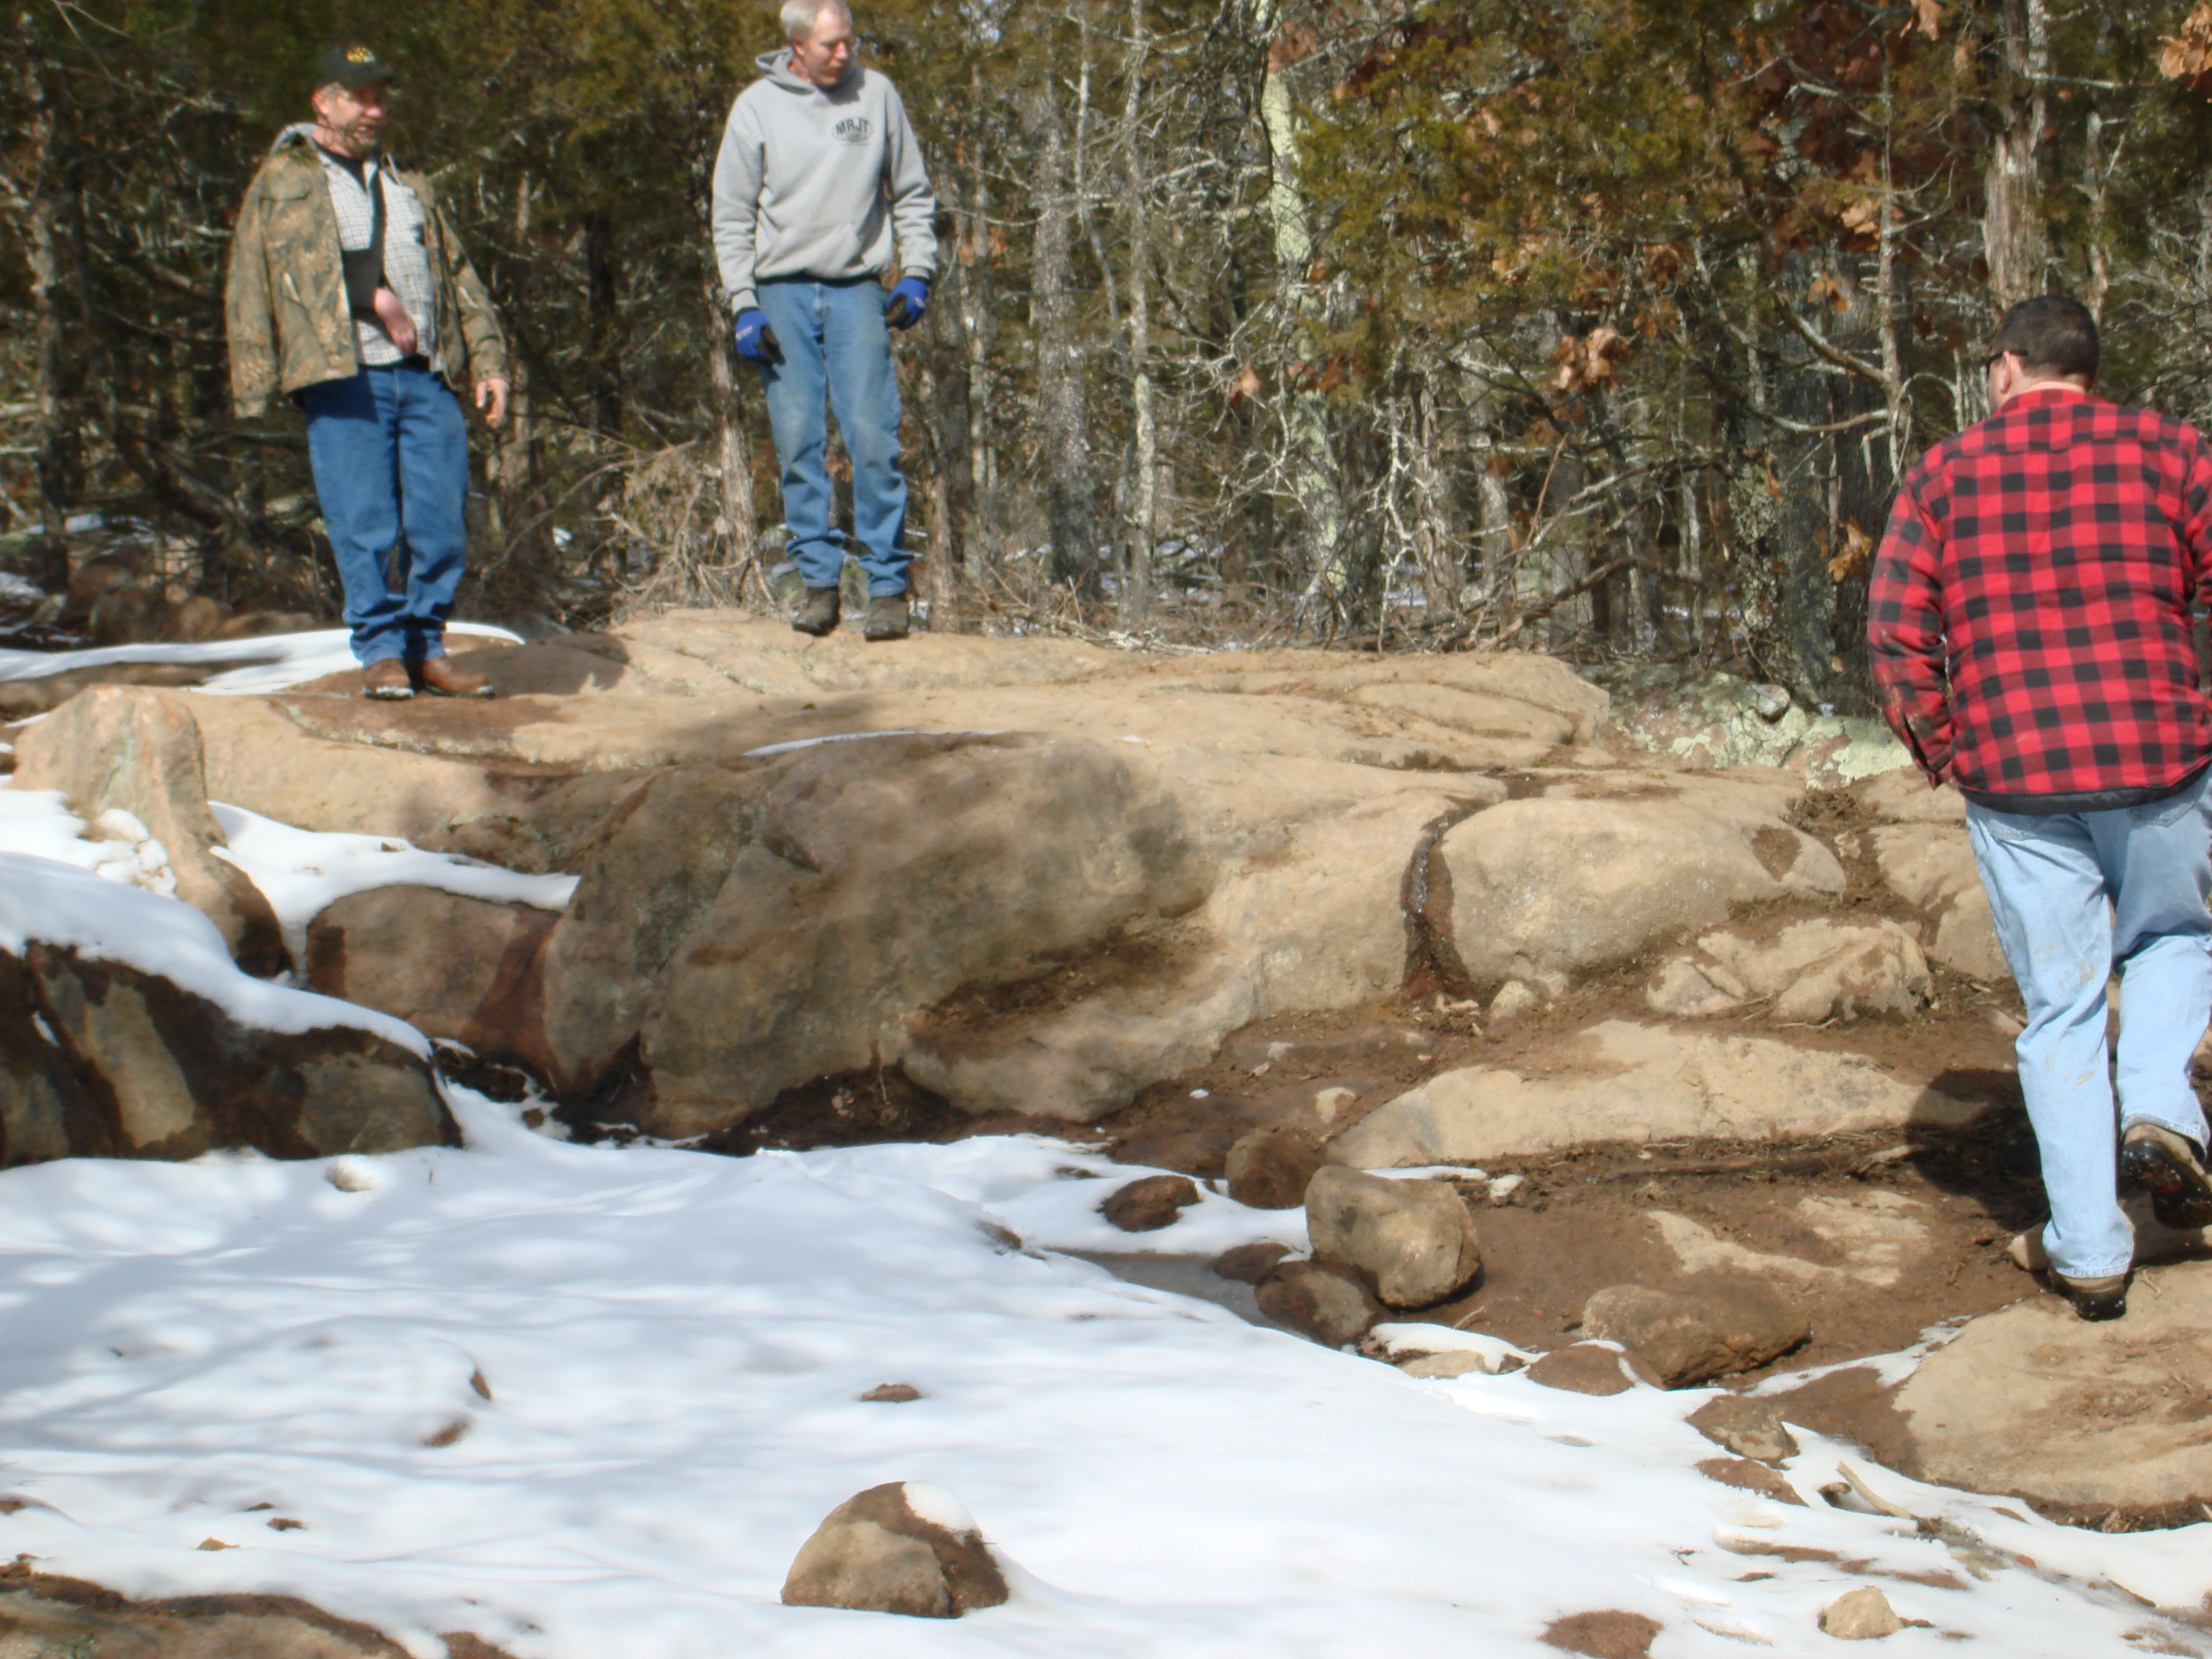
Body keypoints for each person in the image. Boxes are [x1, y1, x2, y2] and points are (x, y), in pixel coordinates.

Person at [1868, 293, 2212, 1322]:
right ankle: (2159, 1105)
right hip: (2160, 755)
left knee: (2062, 1008)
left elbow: (1895, 631)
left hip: (2017, 774)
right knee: (2176, 937)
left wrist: (1947, 749)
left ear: (2007, 367)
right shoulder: (2174, 452)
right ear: (2087, 369)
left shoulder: (1944, 473)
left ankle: (2091, 1254)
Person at [225, 41, 512, 699]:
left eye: (379, 97)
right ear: (322, 102)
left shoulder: (408, 178)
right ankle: (381, 651)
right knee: (364, 523)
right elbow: (259, 273)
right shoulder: (287, 177)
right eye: (358, 98)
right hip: (344, 375)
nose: (373, 110)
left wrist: (488, 359)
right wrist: (370, 300)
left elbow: (456, 271)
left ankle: (426, 646)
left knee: (440, 522)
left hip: (425, 372)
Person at [711, 0, 937, 641]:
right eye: (831, 45)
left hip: (856, 287)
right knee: (799, 441)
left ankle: (888, 588)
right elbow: (731, 214)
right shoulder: (756, 107)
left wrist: (918, 270)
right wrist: (743, 302)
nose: (845, 53)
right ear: (796, 46)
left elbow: (912, 192)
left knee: (872, 436)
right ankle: (818, 585)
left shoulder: (877, 95)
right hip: (781, 290)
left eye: (850, 41)